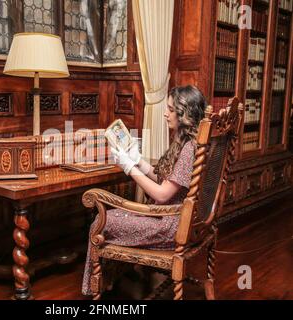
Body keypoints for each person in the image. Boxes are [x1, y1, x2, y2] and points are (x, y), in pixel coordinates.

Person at [82, 85, 207, 297]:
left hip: (171, 226)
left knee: (102, 221)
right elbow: (165, 181)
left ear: (184, 113)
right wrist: (138, 161)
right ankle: (115, 277)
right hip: (182, 221)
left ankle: (96, 288)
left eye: (170, 109)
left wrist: (129, 168)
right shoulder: (193, 142)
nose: (166, 114)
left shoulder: (188, 149)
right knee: (112, 217)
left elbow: (161, 194)